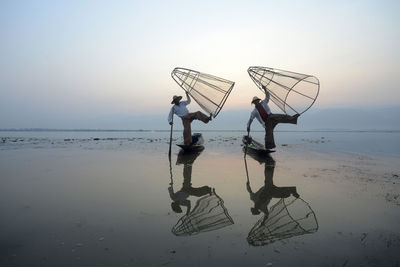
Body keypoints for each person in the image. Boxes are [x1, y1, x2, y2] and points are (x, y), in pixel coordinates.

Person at [247, 85, 300, 149]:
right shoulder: (254, 112)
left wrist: (265, 89)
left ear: (258, 101)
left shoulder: (263, 102)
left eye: (257, 101)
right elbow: (250, 120)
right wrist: (248, 126)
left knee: (282, 117)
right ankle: (268, 147)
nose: (256, 102)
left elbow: (267, 96)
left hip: (271, 116)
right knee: (269, 134)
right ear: (254, 103)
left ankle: (293, 119)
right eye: (255, 102)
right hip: (266, 122)